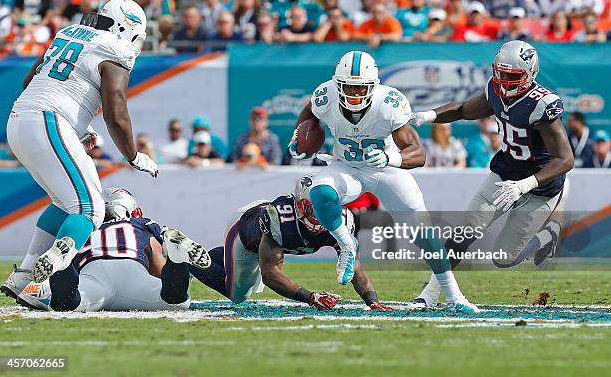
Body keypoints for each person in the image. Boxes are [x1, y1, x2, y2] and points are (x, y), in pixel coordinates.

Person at [287, 51, 478, 312]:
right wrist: (299, 135)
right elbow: (311, 110)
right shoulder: (326, 95)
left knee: (424, 234)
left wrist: (392, 157)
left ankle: (455, 296)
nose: (354, 94)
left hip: (386, 170)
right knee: (320, 193)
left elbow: (419, 154)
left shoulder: (388, 104)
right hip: (348, 167)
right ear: (337, 85)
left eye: (360, 87)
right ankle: (347, 244)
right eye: (348, 87)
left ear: (373, 86)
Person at [1, 0, 159, 300]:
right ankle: (43, 283)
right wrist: (133, 155)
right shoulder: (116, 48)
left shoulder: (70, 32)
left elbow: (28, 81)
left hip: (20, 120)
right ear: (126, 27)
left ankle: (24, 274)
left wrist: (76, 126)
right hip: (47, 121)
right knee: (90, 208)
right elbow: (117, 110)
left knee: (65, 203)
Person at [409, 40, 574, 306]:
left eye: (512, 76)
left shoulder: (542, 104)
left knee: (503, 258)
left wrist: (524, 185)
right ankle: (430, 294)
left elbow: (565, 159)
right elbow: (463, 109)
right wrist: (428, 115)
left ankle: (549, 233)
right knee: (463, 234)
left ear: (530, 73)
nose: (504, 82)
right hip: (504, 174)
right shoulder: (495, 92)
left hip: (540, 187)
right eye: (500, 74)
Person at [190, 176, 392, 310]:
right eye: (312, 208)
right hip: (246, 230)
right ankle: (190, 259)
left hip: (268, 239)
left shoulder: (341, 221)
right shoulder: (279, 219)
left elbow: (354, 266)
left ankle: (209, 256)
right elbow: (270, 274)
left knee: (244, 279)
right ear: (299, 205)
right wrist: (310, 297)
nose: (319, 215)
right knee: (238, 294)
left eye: (324, 208)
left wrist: (372, 301)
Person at [17, 188, 211, 311]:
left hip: (94, 274)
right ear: (131, 210)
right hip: (131, 270)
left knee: (66, 303)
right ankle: (178, 259)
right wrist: (175, 273)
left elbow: (35, 290)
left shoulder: (84, 225)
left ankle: (62, 263)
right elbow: (159, 269)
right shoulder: (140, 224)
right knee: (176, 301)